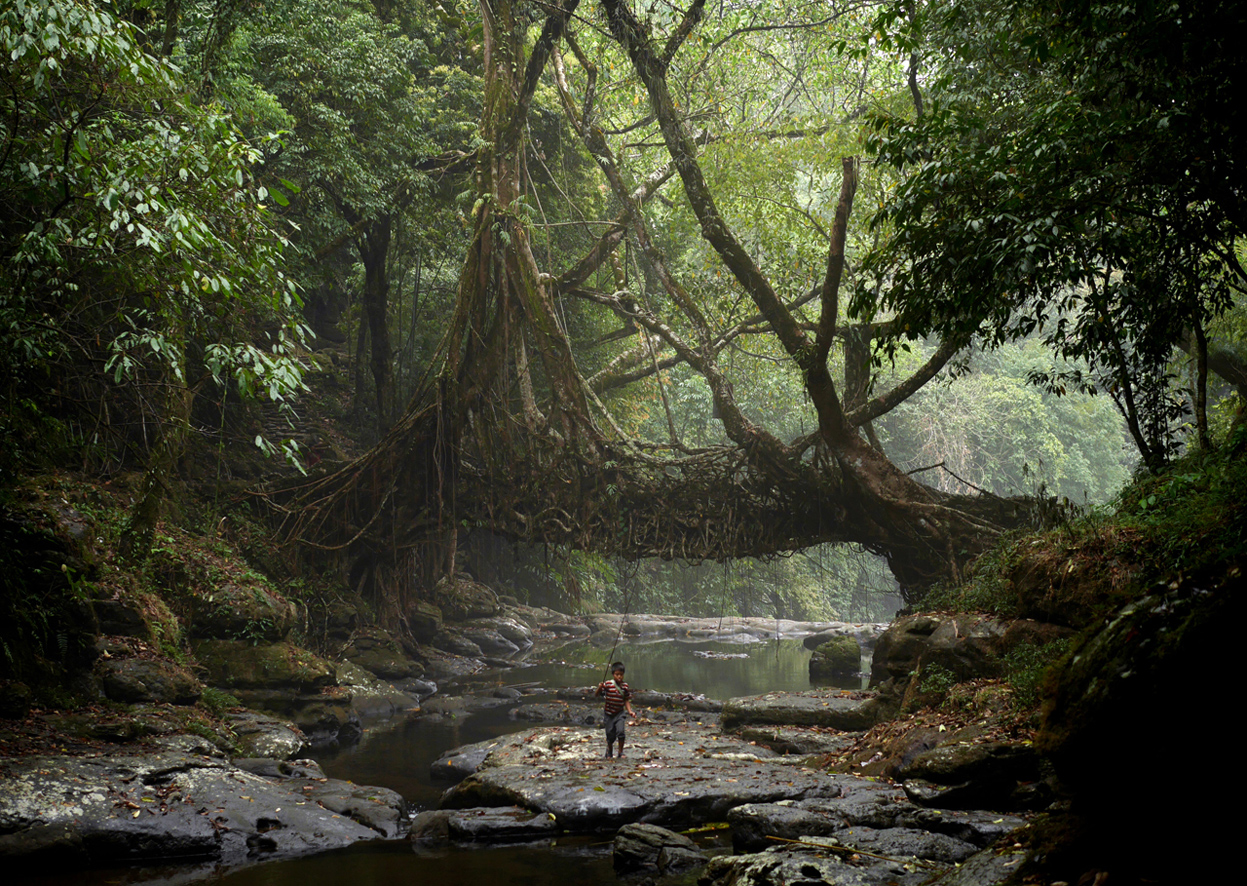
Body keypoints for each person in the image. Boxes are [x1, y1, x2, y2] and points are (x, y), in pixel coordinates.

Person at [596, 661, 633, 759]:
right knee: (610, 734)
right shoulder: (608, 684)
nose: (619, 677)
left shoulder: (625, 686)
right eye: (617, 675)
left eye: (621, 675)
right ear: (613, 675)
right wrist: (600, 688)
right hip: (609, 714)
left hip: (619, 713)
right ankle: (609, 751)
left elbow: (626, 699)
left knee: (621, 732)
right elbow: (597, 694)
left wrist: (630, 711)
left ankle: (620, 752)